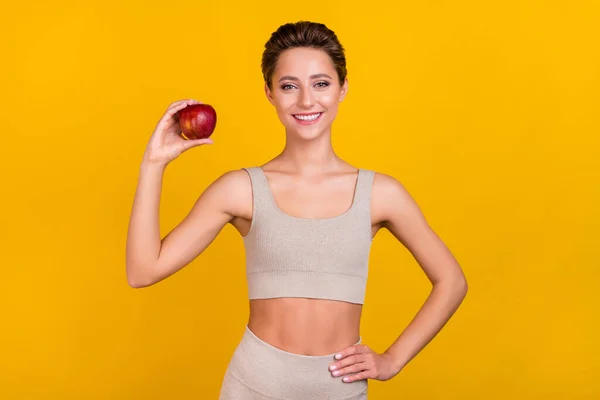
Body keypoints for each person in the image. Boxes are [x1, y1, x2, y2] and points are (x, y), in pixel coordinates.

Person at [126, 20, 468, 400]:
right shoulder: (241, 189)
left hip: (340, 391)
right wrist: (153, 165)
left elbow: (451, 282)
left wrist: (392, 360)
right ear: (270, 93)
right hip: (252, 386)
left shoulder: (380, 194)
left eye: (321, 83)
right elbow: (143, 270)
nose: (306, 101)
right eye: (289, 86)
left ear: (342, 88)